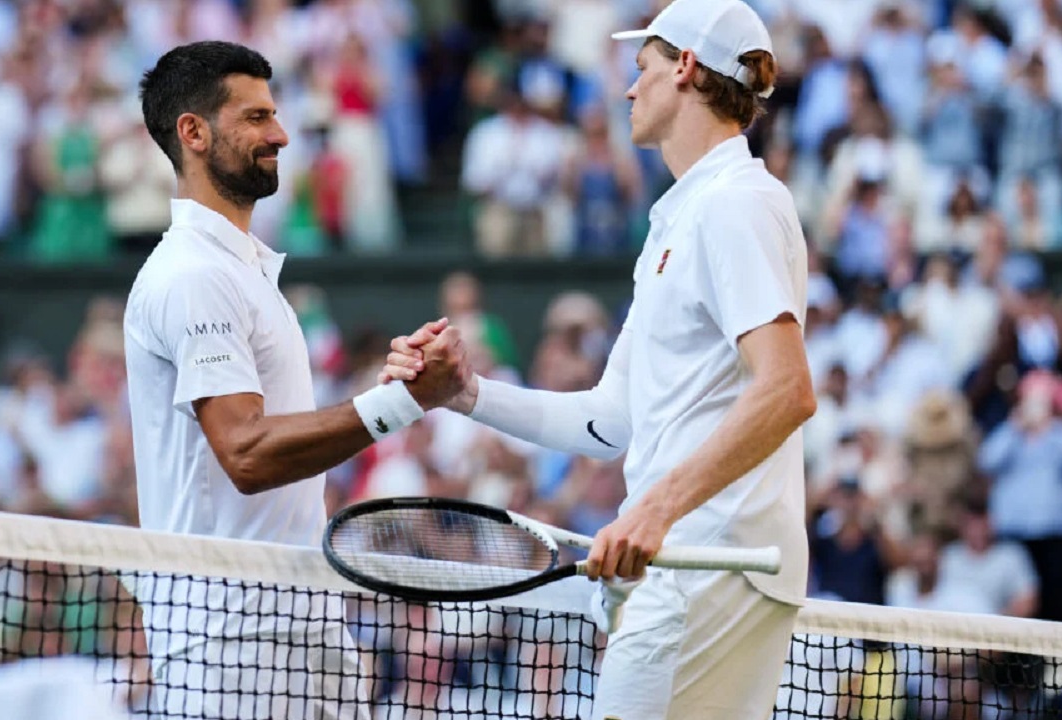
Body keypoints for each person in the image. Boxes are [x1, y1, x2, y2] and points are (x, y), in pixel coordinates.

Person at [383, 1, 814, 718]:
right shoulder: (684, 217)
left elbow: (787, 390)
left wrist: (656, 509)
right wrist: (466, 394)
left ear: (684, 68)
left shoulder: (736, 203)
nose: (626, 88)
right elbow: (609, 423)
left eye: (641, 68)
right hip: (697, 568)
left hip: (705, 565)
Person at [124, 41, 467, 719]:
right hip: (226, 641)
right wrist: (396, 403)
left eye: (274, 114)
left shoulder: (242, 270)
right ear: (193, 133)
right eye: (255, 118)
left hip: (297, 622)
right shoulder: (194, 275)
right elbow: (246, 454)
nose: (280, 134)